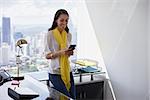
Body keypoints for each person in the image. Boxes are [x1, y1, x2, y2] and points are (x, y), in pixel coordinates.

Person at [44, 9, 76, 100]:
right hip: (55, 73)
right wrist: (60, 52)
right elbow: (47, 55)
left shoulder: (68, 35)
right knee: (65, 98)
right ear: (56, 20)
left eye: (66, 20)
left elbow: (65, 54)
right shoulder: (49, 35)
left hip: (67, 71)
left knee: (72, 97)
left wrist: (69, 53)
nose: (64, 23)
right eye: (62, 20)